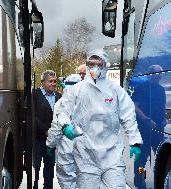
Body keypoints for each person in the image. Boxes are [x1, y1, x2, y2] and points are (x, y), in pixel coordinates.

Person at [57, 49, 143, 188]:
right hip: (86, 152)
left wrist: (135, 141)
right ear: (86, 65)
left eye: (99, 64)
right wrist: (65, 125)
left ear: (105, 65)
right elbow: (63, 110)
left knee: (117, 186)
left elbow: (128, 115)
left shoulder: (115, 90)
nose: (95, 68)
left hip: (111, 153)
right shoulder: (76, 89)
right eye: (91, 64)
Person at [131, 65, 167, 188]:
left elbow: (163, 106)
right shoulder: (141, 88)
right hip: (143, 129)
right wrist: (146, 119)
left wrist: (164, 119)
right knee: (142, 160)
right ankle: (140, 182)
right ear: (150, 74)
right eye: (156, 73)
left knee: (163, 157)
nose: (159, 76)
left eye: (160, 74)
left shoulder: (161, 90)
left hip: (158, 129)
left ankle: (160, 182)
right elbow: (134, 107)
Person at [46, 74, 81, 189]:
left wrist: (50, 145)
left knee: (67, 180)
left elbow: (56, 129)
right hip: (87, 148)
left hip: (67, 149)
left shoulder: (61, 103)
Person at [33, 70, 62, 189]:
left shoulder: (59, 96)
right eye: (50, 81)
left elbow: (62, 115)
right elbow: (31, 115)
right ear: (43, 82)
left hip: (53, 140)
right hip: (38, 138)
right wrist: (45, 130)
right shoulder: (34, 94)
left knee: (50, 165)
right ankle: (34, 185)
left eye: (54, 81)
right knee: (36, 166)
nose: (53, 84)